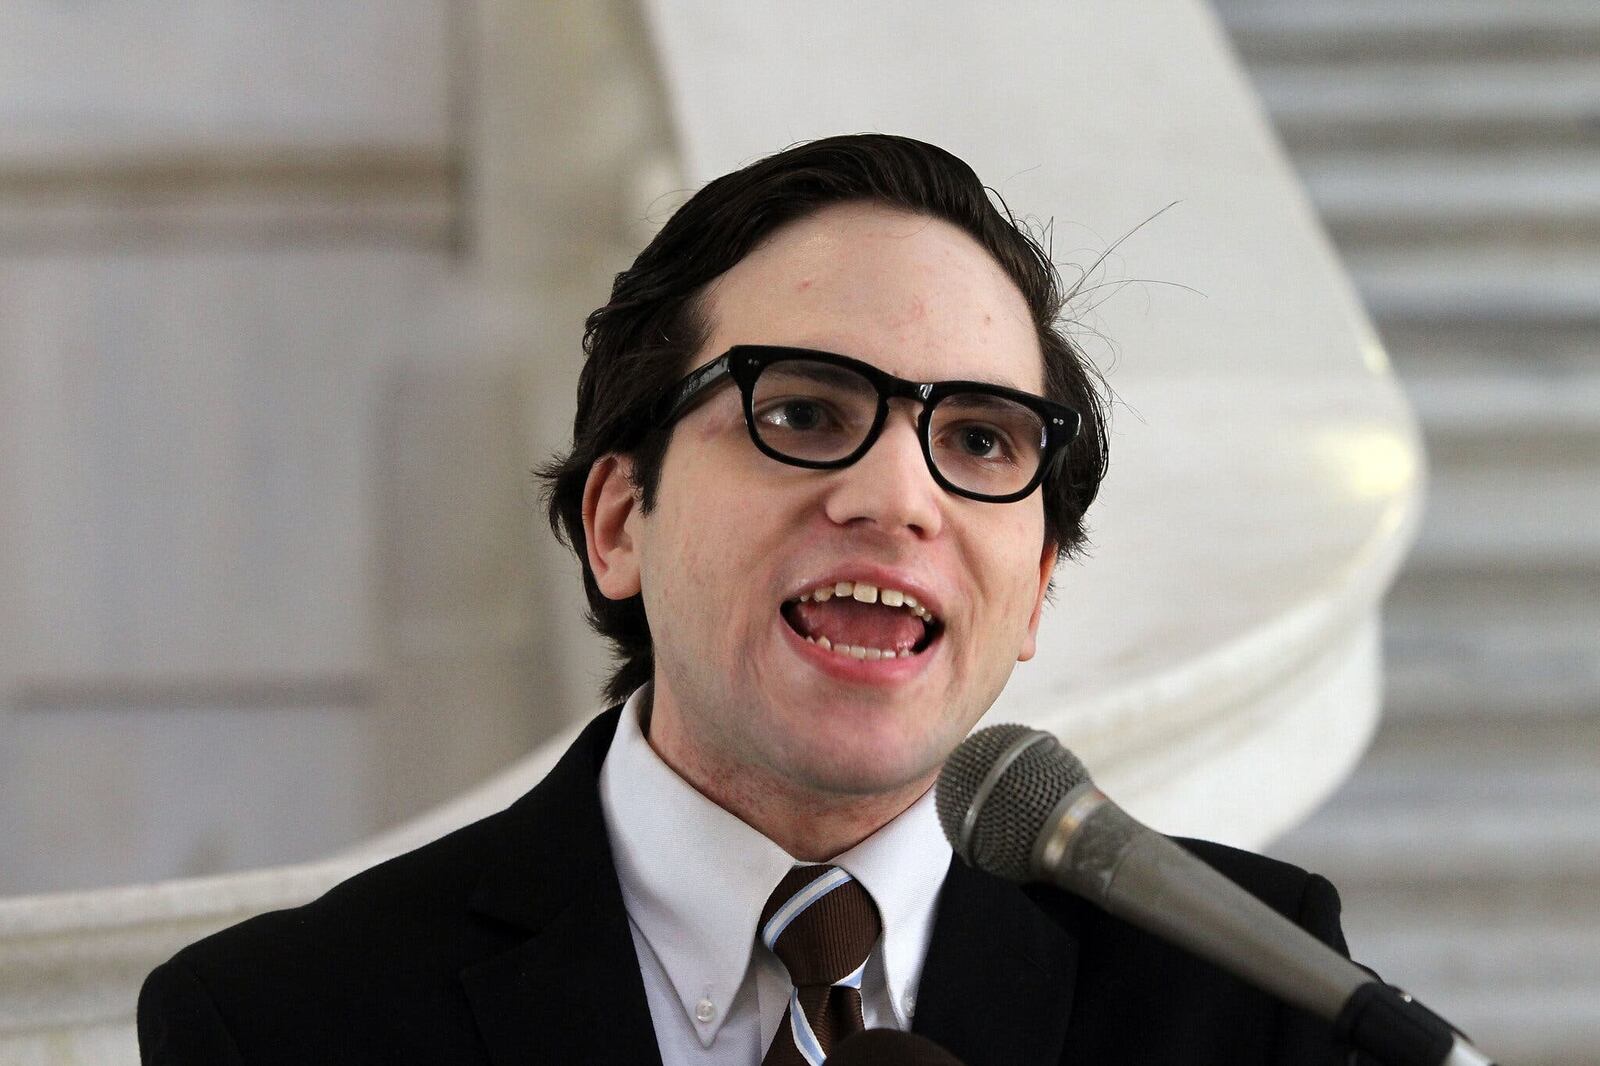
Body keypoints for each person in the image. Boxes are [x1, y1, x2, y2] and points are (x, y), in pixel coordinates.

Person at [138, 134, 1366, 1064]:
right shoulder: (284, 1022)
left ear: (1036, 587)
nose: (898, 497)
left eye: (984, 440)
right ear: (619, 521)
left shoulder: (1253, 991)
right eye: (805, 412)